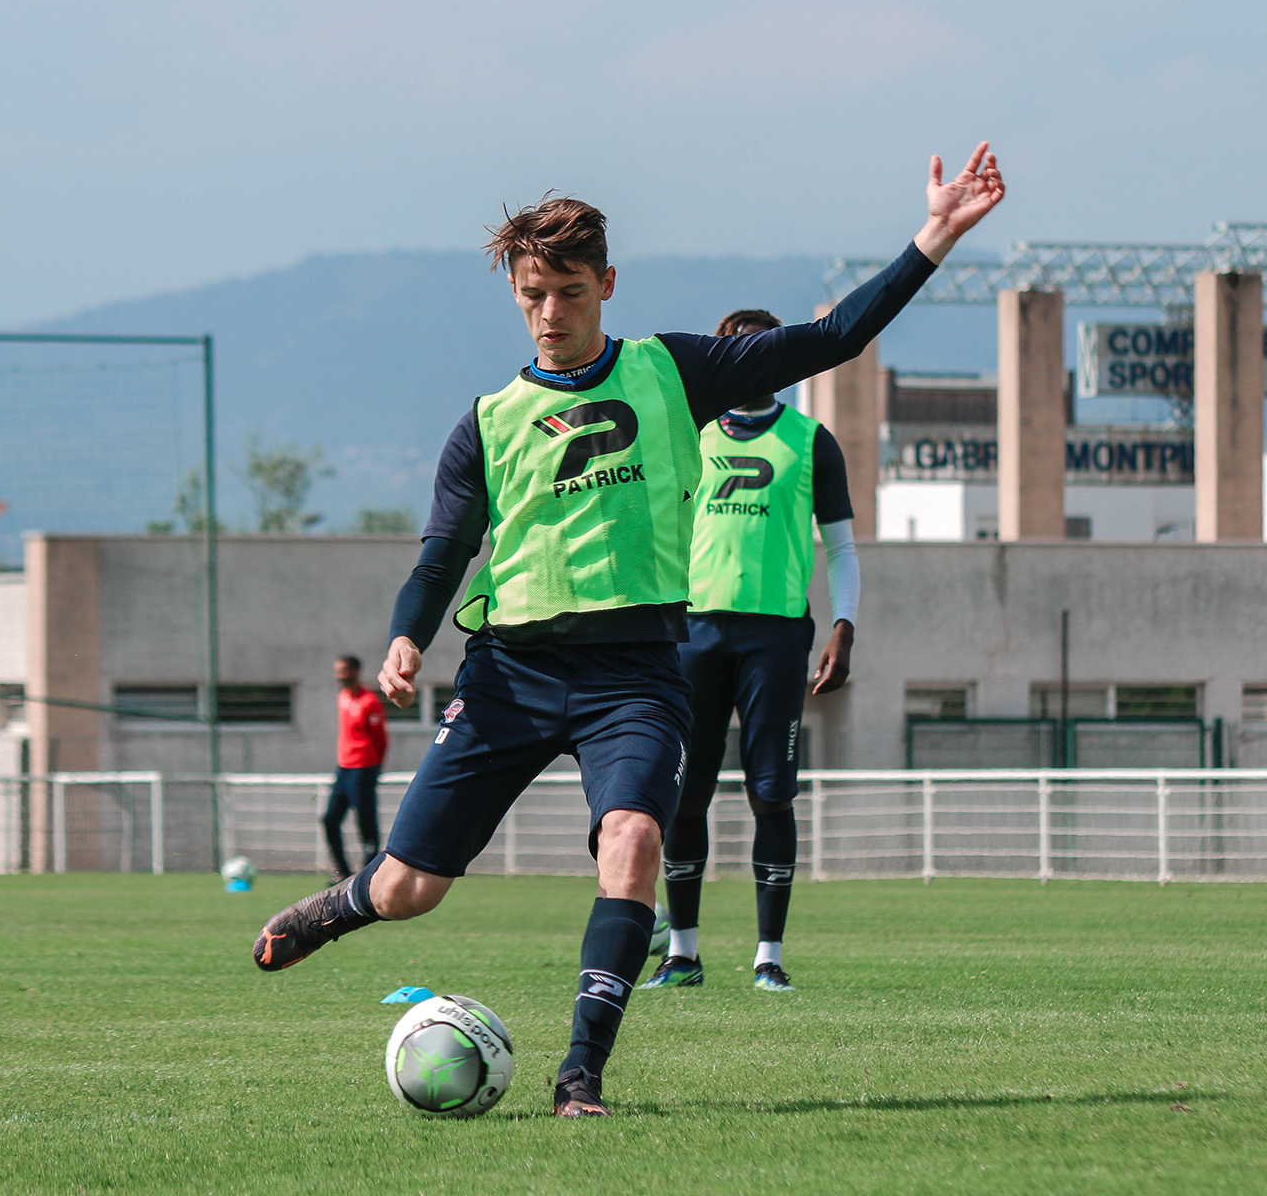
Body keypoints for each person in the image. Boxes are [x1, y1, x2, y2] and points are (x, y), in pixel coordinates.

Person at [252, 145, 1004, 1118]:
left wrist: (932, 237)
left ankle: (580, 1078)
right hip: (508, 674)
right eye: (532, 295)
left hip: (634, 676)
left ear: (606, 284)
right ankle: (335, 906)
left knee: (636, 837)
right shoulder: (485, 424)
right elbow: (441, 557)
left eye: (568, 290)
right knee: (409, 892)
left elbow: (830, 338)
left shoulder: (672, 372)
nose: (551, 313)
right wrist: (406, 637)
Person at [639, 309, 858, 996]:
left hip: (775, 636)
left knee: (771, 796)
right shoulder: (689, 435)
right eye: (734, 352)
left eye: (761, 351)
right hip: (694, 633)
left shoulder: (811, 441)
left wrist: (844, 624)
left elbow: (842, 546)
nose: (745, 363)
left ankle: (768, 957)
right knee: (684, 796)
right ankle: (683, 954)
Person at [323, 654, 386, 878]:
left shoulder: (369, 701)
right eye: (337, 671)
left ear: (355, 671)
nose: (339, 676)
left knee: (365, 824)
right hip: (344, 768)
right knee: (329, 820)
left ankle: (367, 876)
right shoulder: (342, 697)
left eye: (343, 671)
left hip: (364, 767)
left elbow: (380, 738)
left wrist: (375, 768)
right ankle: (342, 872)